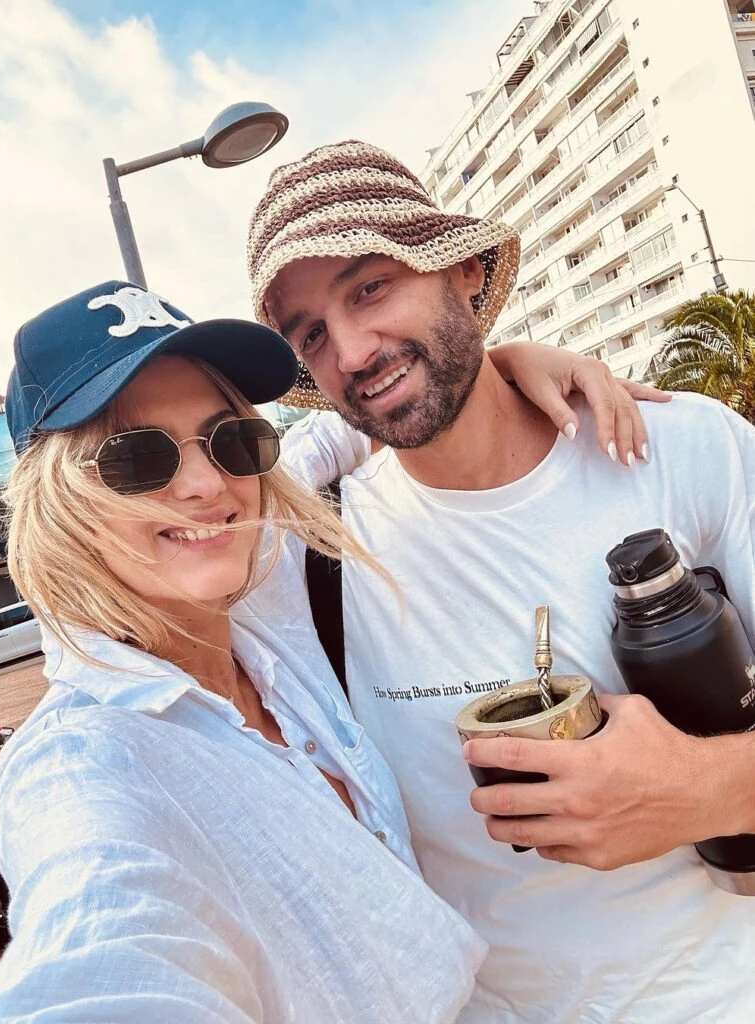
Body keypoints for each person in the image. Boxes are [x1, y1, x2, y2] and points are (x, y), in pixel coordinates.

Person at [245, 140, 755, 1021]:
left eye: (370, 287)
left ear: (465, 269)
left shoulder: (681, 449)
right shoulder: (313, 548)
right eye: (311, 334)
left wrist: (706, 788)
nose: (353, 350)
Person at [0, 282, 486, 1024]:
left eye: (232, 440)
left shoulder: (261, 614)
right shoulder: (83, 762)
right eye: (137, 460)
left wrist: (507, 372)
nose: (208, 485)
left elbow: (335, 437)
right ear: (61, 501)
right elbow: (106, 943)